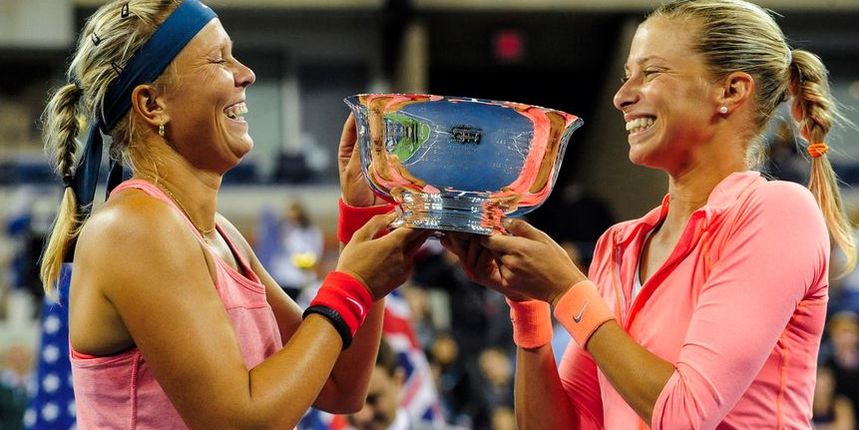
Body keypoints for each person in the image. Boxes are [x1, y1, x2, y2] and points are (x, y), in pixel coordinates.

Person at [442, 0, 856, 428]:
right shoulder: (618, 246)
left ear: (731, 91)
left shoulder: (778, 213)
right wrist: (529, 303)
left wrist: (567, 291)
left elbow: (683, 415)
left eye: (652, 72)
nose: (622, 97)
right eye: (626, 77)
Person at [39, 1, 428, 428]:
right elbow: (238, 422)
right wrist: (351, 286)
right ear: (152, 103)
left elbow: (340, 385)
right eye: (219, 59)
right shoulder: (134, 229)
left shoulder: (221, 235)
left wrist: (359, 222)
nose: (246, 73)